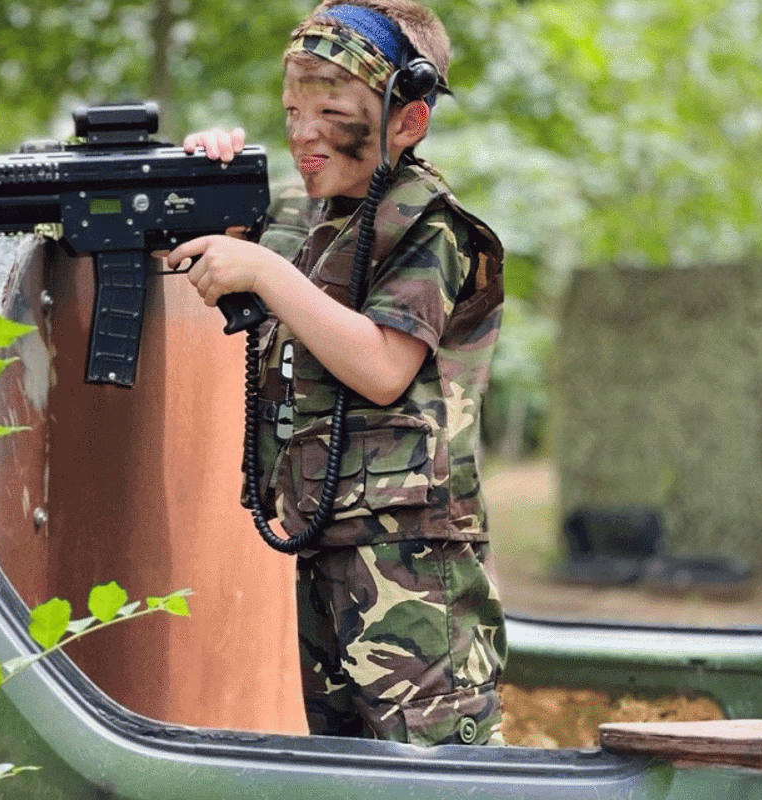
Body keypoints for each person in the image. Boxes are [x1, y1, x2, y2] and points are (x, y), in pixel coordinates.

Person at [166, 0, 507, 746]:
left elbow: (383, 368)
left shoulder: (428, 224)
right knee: (345, 766)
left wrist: (263, 270)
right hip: (325, 543)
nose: (302, 132)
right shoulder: (299, 215)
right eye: (291, 108)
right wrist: (202, 175)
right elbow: (193, 250)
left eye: (331, 110)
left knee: (439, 766)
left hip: (412, 562)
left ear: (405, 123)